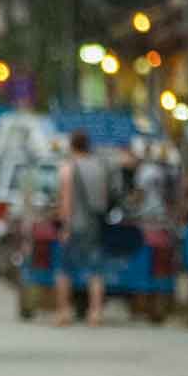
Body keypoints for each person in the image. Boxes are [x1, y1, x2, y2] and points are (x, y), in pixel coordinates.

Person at [55, 130, 110, 326]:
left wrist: (64, 225)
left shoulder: (68, 168)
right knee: (95, 270)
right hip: (94, 223)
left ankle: (64, 312)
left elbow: (66, 199)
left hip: (74, 224)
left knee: (64, 269)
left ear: (72, 145)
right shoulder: (99, 167)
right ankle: (95, 312)